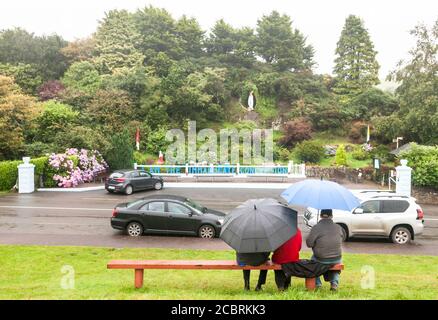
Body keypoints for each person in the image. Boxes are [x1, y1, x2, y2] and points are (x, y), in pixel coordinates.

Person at [306, 209, 343, 291]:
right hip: (337, 258)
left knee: (313, 262)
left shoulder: (316, 227)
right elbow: (341, 239)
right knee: (337, 263)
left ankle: (318, 284)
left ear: (320, 216)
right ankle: (334, 283)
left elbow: (309, 244)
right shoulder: (338, 227)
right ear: (331, 216)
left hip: (320, 258)